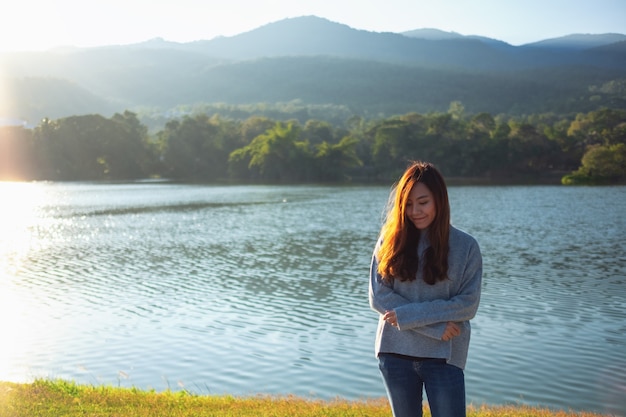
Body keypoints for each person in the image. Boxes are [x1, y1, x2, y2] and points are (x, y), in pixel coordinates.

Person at [369, 161, 482, 417]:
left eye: (423, 202)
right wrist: (434, 327)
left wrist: (409, 317)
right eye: (408, 204)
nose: (415, 211)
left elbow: (467, 304)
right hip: (395, 352)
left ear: (439, 201)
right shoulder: (389, 241)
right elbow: (379, 297)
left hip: (444, 355)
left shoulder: (466, 246)